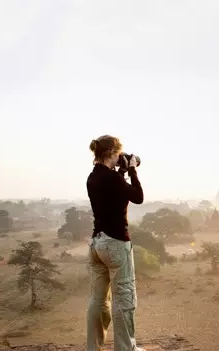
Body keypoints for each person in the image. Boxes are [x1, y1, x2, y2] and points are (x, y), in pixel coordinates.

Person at [86, 135, 144, 351]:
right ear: (112, 152)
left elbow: (116, 193)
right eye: (119, 153)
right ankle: (125, 348)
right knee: (124, 298)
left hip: (97, 244)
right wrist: (133, 171)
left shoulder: (94, 177)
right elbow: (137, 197)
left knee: (97, 300)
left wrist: (121, 172)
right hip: (116, 243)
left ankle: (93, 347)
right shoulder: (112, 178)